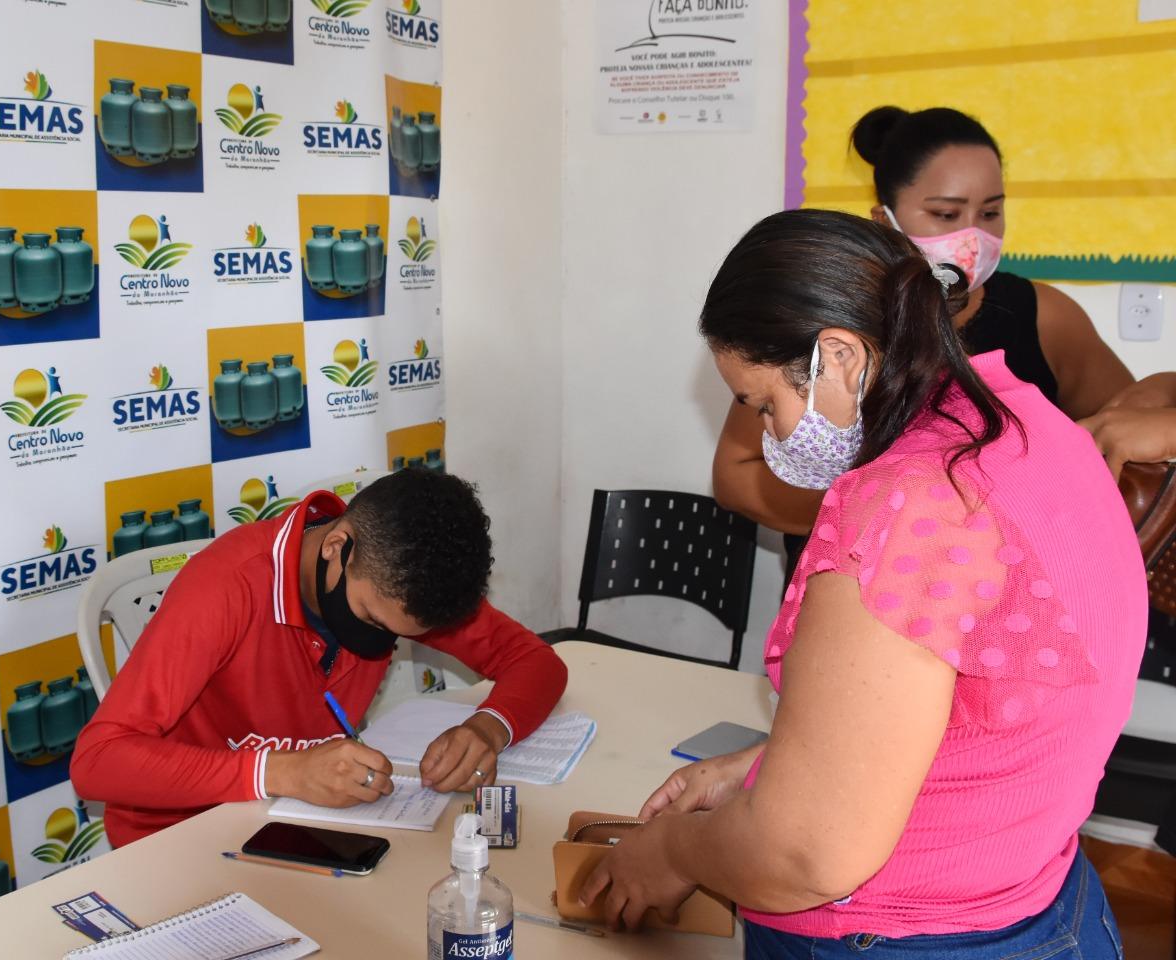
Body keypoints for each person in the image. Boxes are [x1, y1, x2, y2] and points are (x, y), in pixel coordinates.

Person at [581, 209, 1146, 956]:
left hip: (908, 933)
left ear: (839, 357)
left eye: (763, 406)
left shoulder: (912, 504)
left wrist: (675, 852)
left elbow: (809, 856)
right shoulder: (1033, 430)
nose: (770, 435)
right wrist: (770, 766)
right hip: (1048, 903)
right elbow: (976, 700)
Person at [71, 469, 568, 847]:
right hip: (181, 835)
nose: (380, 641)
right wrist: (280, 773)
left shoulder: (411, 575)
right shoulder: (227, 588)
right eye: (373, 620)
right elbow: (98, 761)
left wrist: (488, 728)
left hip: (298, 821)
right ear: (336, 546)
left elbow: (537, 663)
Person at [712, 106, 1136, 548]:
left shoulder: (1044, 316)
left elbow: (1122, 432)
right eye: (946, 215)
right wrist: (879, 512)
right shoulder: (831, 317)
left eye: (990, 213)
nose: (972, 237)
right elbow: (735, 475)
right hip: (848, 577)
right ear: (884, 220)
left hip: (1001, 594)